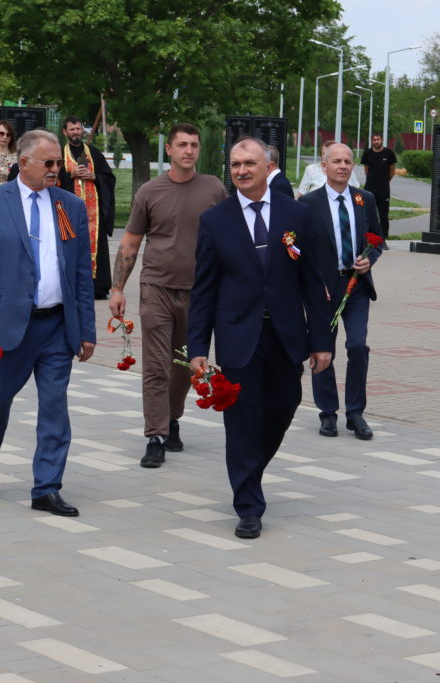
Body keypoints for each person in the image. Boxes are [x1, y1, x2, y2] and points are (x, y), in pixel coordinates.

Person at [188, 137, 331, 539]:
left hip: (286, 335)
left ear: (268, 168)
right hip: (238, 336)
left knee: (283, 407)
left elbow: (313, 282)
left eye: (249, 163)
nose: (241, 171)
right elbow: (203, 290)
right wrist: (198, 347)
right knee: (241, 420)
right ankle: (248, 505)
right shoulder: (215, 221)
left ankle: (249, 470)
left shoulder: (297, 214)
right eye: (235, 165)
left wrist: (321, 340)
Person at [0, 129, 96, 517]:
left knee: (54, 408)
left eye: (58, 163)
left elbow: (81, 275)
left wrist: (86, 330)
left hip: (56, 327)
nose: (55, 170)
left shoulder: (69, 205)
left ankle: (46, 487)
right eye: (48, 163)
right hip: (7, 327)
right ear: (23, 163)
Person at [110, 123, 227, 468]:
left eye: (194, 145)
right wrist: (117, 289)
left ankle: (173, 416)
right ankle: (156, 436)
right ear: (169, 150)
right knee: (156, 365)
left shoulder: (214, 188)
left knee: (184, 364)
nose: (189, 150)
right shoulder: (150, 191)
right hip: (156, 288)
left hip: (199, 293)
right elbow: (130, 243)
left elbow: (229, 236)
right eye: (182, 144)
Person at [299, 142, 383, 440]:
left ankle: (355, 412)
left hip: (356, 284)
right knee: (323, 348)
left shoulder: (364, 199)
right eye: (336, 161)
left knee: (358, 345)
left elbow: (377, 239)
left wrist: (369, 259)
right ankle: (327, 412)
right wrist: (312, 281)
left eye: (348, 161)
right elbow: (300, 247)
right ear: (324, 166)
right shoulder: (309, 203)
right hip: (324, 288)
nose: (343, 166)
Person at [58, 116, 115, 299]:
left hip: (94, 214)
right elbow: (53, 180)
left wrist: (94, 177)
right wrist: (70, 174)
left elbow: (109, 178)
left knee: (95, 246)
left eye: (78, 128)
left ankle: (97, 287)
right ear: (65, 132)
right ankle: (72, 284)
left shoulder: (94, 153)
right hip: (68, 212)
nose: (76, 132)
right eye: (72, 129)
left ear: (83, 130)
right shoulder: (60, 154)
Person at [360, 133, 398, 240]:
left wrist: (384, 181)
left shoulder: (389, 153)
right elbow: (366, 171)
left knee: (383, 215)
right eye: (374, 139)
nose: (376, 141)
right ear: (371, 141)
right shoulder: (367, 153)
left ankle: (383, 238)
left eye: (378, 139)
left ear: (382, 140)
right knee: (368, 213)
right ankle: (369, 237)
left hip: (383, 189)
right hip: (369, 188)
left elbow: (392, 171)